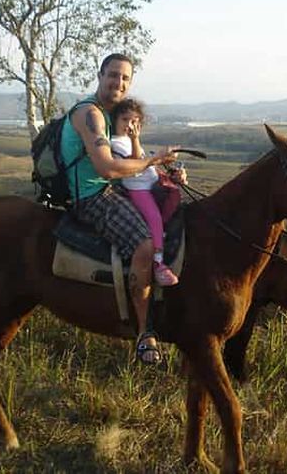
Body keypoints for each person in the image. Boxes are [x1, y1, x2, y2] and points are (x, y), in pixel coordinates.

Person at [60, 53, 181, 365]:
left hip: (113, 188)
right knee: (144, 243)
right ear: (100, 75)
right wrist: (153, 161)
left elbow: (131, 156)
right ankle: (144, 332)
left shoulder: (110, 112)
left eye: (125, 78)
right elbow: (108, 168)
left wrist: (164, 174)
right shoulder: (91, 114)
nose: (119, 82)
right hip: (92, 195)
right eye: (113, 75)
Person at [110, 98, 182, 287]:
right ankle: (158, 263)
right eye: (125, 120)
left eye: (134, 122)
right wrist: (136, 140)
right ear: (115, 121)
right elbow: (135, 163)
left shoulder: (128, 140)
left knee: (174, 197)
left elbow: (145, 160)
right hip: (138, 190)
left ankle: (160, 232)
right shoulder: (115, 143)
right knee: (155, 218)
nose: (129, 125)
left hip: (150, 184)